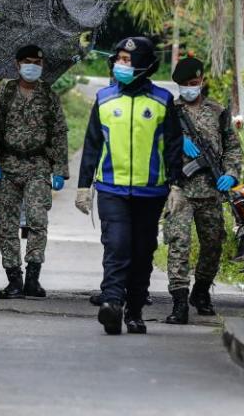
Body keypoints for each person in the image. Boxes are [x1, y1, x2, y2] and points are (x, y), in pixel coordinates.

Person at [75, 37, 183, 335]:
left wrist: (176, 185)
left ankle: (134, 311)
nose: (121, 64)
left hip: (152, 192)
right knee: (117, 246)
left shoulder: (162, 101)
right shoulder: (105, 99)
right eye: (119, 58)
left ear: (144, 66)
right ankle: (111, 303)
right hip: (112, 189)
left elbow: (174, 146)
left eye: (127, 60)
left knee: (142, 252)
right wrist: (84, 186)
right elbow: (92, 145)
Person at [0, 44, 69, 299]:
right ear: (18, 64)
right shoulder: (4, 93)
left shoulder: (49, 95)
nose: (33, 66)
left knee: (37, 220)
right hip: (8, 166)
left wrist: (60, 169)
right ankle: (13, 280)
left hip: (38, 166)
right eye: (28, 61)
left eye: (38, 63)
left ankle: (33, 278)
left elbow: (59, 133)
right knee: (7, 223)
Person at [164, 53, 242, 324]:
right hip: (180, 189)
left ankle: (200, 292)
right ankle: (178, 302)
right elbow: (157, 146)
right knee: (178, 244)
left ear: (202, 81)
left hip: (210, 190)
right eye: (186, 83)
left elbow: (232, 147)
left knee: (213, 244)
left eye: (194, 81)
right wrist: (177, 141)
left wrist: (231, 174)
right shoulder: (170, 112)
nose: (191, 87)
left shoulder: (218, 111)